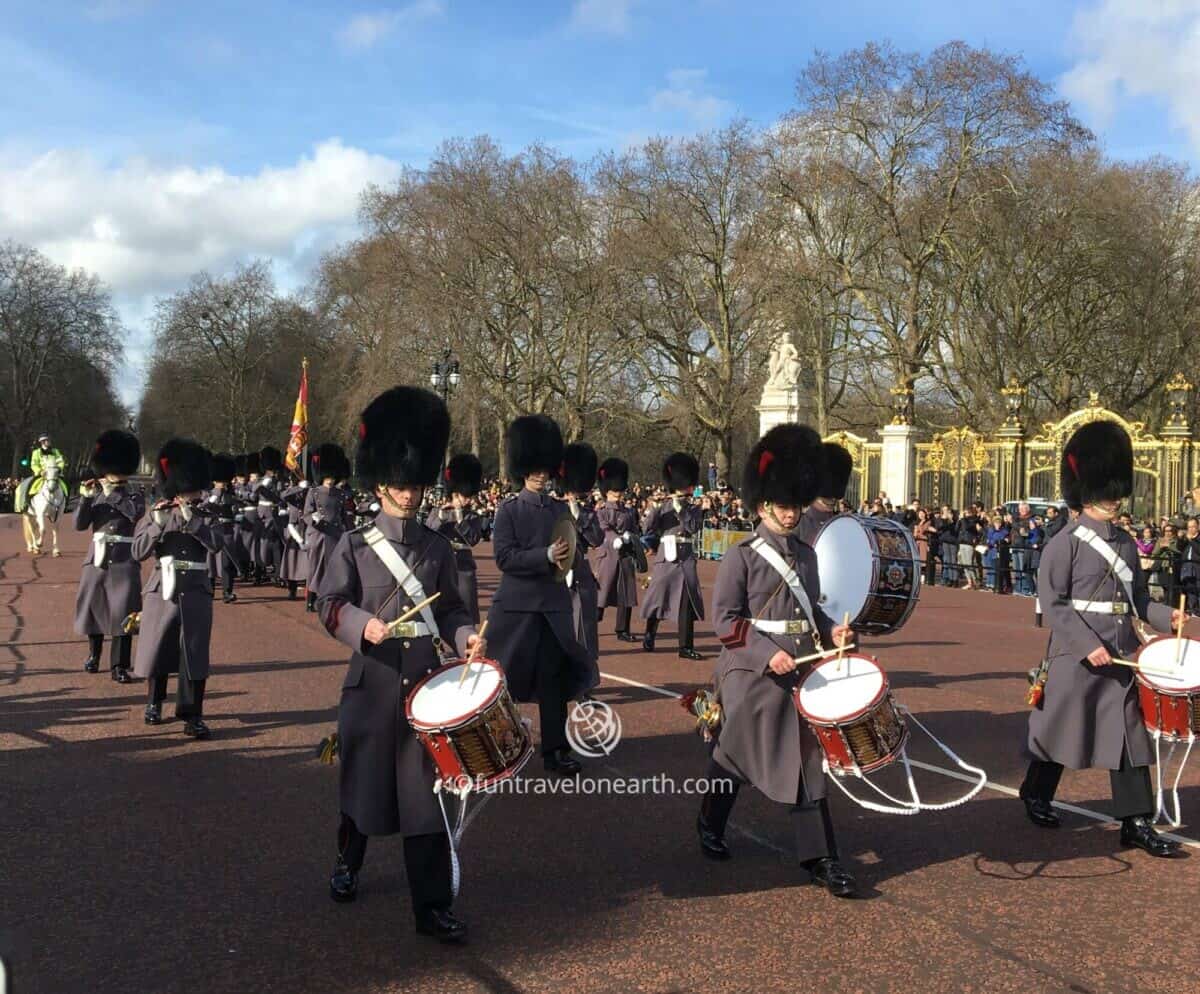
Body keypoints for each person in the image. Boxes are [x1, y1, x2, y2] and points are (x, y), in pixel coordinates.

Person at [316, 386, 481, 942]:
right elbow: (329, 604)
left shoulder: (436, 548)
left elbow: (454, 609)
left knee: (424, 800)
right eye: (404, 485)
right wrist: (362, 625)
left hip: (423, 693)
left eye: (418, 484)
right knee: (362, 795)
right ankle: (348, 863)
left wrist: (465, 639)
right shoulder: (354, 545)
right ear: (382, 482)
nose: (412, 494)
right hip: (372, 685)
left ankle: (431, 908)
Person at [695, 424, 855, 895]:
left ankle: (822, 859)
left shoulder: (805, 554)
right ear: (763, 504)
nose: (790, 513)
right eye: (783, 505)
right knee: (735, 758)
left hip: (802, 670)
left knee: (809, 764)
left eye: (795, 504)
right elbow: (724, 620)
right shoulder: (741, 556)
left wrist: (834, 630)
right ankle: (710, 821)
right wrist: (768, 655)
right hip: (753, 674)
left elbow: (812, 609)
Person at [1021, 421, 1184, 857]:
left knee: (1129, 735)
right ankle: (1035, 792)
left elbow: (1136, 604)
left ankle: (1135, 821)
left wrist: (1173, 618)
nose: (1114, 497)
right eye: (1107, 488)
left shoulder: (1128, 544)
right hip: (1076, 655)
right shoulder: (1065, 543)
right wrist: (1084, 643)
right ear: (1087, 486)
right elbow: (1052, 603)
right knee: (1061, 729)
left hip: (1121, 655)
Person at [487, 415, 591, 775]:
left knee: (553, 679)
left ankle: (555, 751)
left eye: (544, 469)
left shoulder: (560, 509)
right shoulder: (509, 510)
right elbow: (504, 557)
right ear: (523, 469)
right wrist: (543, 556)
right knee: (501, 681)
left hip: (551, 606)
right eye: (534, 468)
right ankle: (499, 746)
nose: (541, 475)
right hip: (516, 607)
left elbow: (572, 550)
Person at [132, 439, 222, 739]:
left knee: (194, 655)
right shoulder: (157, 511)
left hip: (195, 588)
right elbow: (138, 551)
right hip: (162, 588)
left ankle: (192, 714)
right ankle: (154, 702)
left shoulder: (207, 512)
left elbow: (217, 544)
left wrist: (193, 522)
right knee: (159, 648)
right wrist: (158, 525)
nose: (191, 495)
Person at [74, 430, 145, 681]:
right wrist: (86, 498)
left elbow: (134, 514)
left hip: (124, 559)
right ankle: (94, 655)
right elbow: (80, 525)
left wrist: (111, 493)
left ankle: (119, 665)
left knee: (124, 613)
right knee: (95, 608)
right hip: (97, 559)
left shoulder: (135, 493)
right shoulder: (97, 492)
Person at [641, 453, 706, 660]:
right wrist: (654, 508)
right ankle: (650, 633)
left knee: (687, 604)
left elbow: (693, 528)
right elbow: (648, 529)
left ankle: (685, 647)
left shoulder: (694, 508)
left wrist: (681, 509)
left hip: (685, 558)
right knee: (657, 599)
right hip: (666, 557)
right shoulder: (664, 508)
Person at [559, 442, 603, 692]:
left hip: (581, 573)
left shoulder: (586, 511)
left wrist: (580, 514)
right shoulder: (552, 508)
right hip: (557, 573)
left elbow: (596, 539)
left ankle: (585, 685)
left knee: (585, 632)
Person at [425, 454, 485, 625]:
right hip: (441, 565)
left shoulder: (472, 516)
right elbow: (428, 534)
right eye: (463, 495)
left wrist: (460, 518)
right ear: (454, 492)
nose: (466, 499)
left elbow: (473, 540)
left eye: (468, 496)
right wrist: (442, 518)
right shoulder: (439, 511)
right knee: (435, 608)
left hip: (463, 567)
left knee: (466, 609)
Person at [303, 443, 353, 613]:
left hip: (336, 534)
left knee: (333, 568)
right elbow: (307, 514)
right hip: (319, 534)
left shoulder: (340, 494)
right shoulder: (314, 492)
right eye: (328, 476)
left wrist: (350, 532)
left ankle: (327, 599)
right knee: (315, 567)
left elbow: (345, 516)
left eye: (333, 476)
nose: (331, 479)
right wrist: (315, 519)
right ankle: (311, 599)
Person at [595, 457, 641, 642]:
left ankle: (622, 629)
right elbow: (603, 528)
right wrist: (615, 539)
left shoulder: (628, 511)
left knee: (626, 594)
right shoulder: (602, 510)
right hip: (608, 555)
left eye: (620, 491)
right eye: (615, 492)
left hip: (625, 556)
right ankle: (592, 621)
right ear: (607, 492)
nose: (619, 495)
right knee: (602, 592)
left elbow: (635, 528)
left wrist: (630, 537)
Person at [204, 453, 242, 604]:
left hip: (227, 530)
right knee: (211, 563)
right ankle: (210, 589)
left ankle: (227, 591)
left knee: (227, 563)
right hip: (213, 529)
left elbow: (236, 507)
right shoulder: (208, 493)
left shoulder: (231, 493)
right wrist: (217, 492)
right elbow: (205, 507)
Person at [796, 442, 851, 546]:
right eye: (826, 497)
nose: (832, 499)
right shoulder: (799, 526)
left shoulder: (844, 524)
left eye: (833, 496)